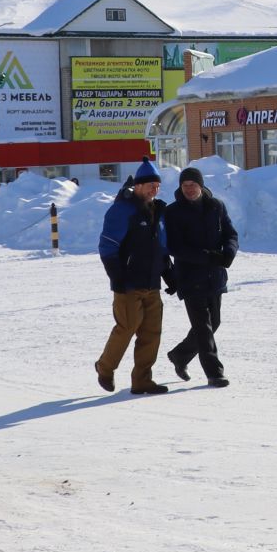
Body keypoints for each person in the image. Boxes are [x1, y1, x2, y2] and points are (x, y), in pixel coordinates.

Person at [95, 160, 172, 396]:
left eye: (157, 186)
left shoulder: (158, 211)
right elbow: (108, 246)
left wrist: (169, 274)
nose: (154, 190)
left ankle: (142, 380)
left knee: (151, 332)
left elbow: (162, 247)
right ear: (138, 186)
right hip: (128, 283)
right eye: (150, 185)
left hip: (152, 283)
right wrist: (116, 277)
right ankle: (105, 368)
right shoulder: (122, 210)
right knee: (127, 327)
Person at [164, 166, 239, 388]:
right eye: (185, 185)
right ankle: (214, 373)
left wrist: (229, 253)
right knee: (203, 328)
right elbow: (175, 247)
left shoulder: (216, 206)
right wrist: (208, 257)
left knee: (213, 322)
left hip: (215, 276)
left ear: (201, 186)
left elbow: (230, 234)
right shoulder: (173, 212)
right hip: (189, 277)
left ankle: (180, 355)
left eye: (193, 185)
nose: (189, 189)